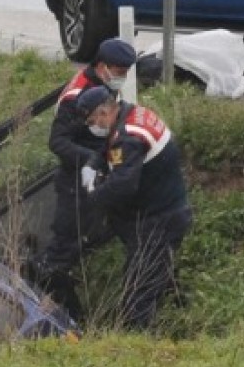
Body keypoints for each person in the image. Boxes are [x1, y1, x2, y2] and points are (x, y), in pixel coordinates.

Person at [29, 37, 137, 322]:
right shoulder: (76, 97)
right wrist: (93, 160)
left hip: (99, 179)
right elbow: (58, 142)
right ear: (102, 67)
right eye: (118, 72)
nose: (122, 78)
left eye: (126, 72)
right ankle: (70, 317)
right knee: (60, 256)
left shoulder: (101, 86)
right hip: (76, 183)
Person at [76, 85, 193, 331]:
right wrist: (94, 164)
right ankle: (181, 319)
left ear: (104, 112)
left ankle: (135, 343)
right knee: (156, 273)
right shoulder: (131, 114)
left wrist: (94, 197)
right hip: (163, 211)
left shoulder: (127, 137)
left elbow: (123, 185)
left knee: (138, 290)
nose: (92, 126)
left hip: (159, 220)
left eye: (91, 120)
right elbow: (108, 148)